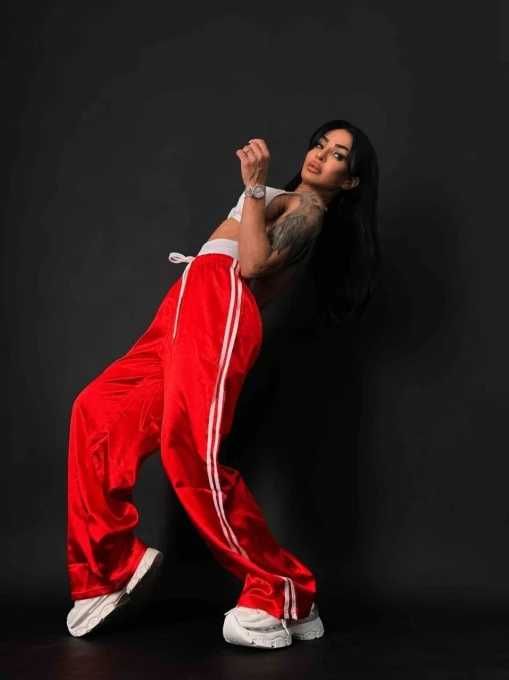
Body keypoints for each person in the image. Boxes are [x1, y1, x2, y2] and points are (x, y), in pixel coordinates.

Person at [65, 119, 381, 649]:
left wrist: (254, 187)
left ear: (348, 180)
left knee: (189, 451)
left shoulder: (308, 210)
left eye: (338, 156)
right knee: (97, 411)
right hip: (185, 302)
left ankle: (285, 591)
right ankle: (108, 569)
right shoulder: (285, 197)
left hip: (221, 304)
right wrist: (258, 191)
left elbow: (252, 265)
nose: (320, 155)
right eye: (320, 145)